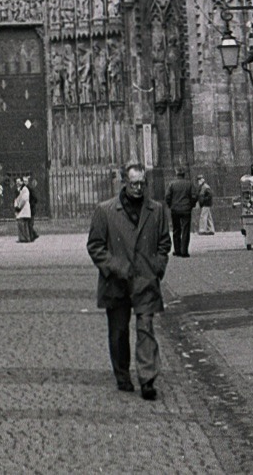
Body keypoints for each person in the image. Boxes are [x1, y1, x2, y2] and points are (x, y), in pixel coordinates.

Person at [86, 162, 171, 400]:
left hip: (145, 279)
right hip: (117, 281)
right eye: (133, 183)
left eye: (142, 183)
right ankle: (122, 374)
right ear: (124, 182)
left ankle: (147, 379)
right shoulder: (105, 210)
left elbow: (164, 243)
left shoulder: (156, 209)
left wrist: (157, 267)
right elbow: (95, 246)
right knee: (119, 331)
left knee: (146, 329)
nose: (138, 188)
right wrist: (115, 267)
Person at [164, 164, 197, 258]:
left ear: (176, 174)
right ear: (184, 174)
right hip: (186, 209)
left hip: (175, 209)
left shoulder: (172, 184)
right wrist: (191, 205)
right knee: (186, 230)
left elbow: (167, 196)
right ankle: (184, 251)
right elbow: (194, 196)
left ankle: (177, 250)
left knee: (176, 229)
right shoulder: (189, 184)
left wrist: (171, 205)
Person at [13, 177, 31, 243]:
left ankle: (25, 238)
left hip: (23, 208)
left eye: (19, 181)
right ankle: (23, 238)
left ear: (22, 182)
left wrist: (19, 207)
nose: (17, 183)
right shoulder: (18, 190)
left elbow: (24, 199)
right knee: (21, 224)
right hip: (20, 209)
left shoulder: (25, 189)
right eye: (16, 182)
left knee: (23, 223)